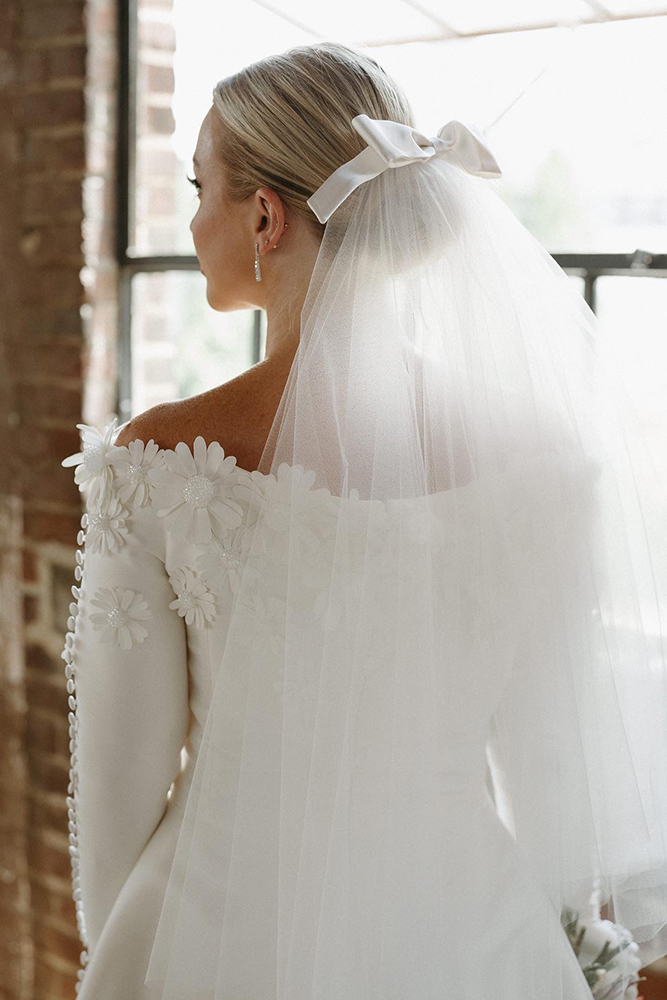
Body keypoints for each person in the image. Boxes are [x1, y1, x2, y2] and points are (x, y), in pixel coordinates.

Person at [61, 40, 667, 999]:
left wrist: (121, 951)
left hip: (216, 935)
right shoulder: (544, 461)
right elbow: (552, 770)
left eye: (199, 186)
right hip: (466, 933)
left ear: (263, 216)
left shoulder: (160, 460)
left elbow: (118, 790)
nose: (190, 218)